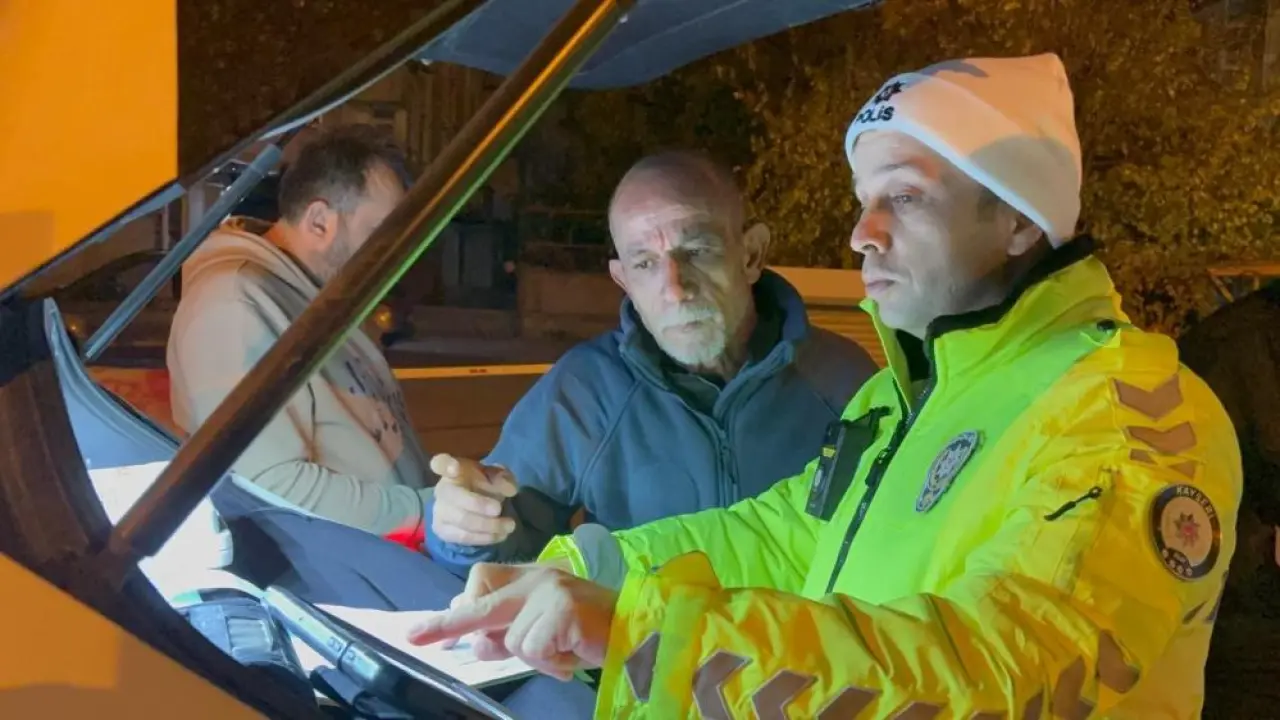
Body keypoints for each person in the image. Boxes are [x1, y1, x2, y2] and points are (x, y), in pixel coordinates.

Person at [408, 54, 1243, 719]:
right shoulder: (904, 396)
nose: (861, 234)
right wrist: (588, 569)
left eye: (904, 197)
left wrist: (645, 629)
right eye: (863, 200)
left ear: (1021, 219)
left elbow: (1010, 674)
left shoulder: (1124, 415)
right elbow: (787, 539)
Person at [424, 150, 878, 576]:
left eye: (696, 252)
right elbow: (503, 550)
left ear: (751, 254)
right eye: (644, 264)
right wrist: (464, 526)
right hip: (642, 639)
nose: (675, 289)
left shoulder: (846, 382)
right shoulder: (586, 389)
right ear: (622, 279)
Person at [169, 123, 435, 537]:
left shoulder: (317, 298)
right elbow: (267, 483)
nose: (396, 254)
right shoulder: (234, 304)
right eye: (379, 233)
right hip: (344, 562)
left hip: (390, 546)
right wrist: (426, 514)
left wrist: (444, 503)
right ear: (318, 222)